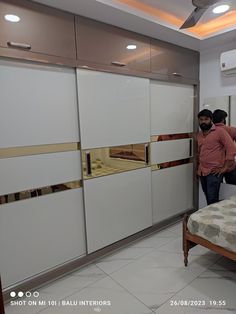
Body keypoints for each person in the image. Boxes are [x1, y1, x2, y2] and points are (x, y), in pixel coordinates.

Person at [197, 109, 236, 205]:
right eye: (201, 119)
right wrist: (197, 169)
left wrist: (225, 167)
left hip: (214, 171)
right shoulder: (199, 134)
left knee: (212, 199)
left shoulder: (220, 131)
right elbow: (199, 153)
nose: (203, 122)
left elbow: (231, 148)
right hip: (202, 171)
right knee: (207, 196)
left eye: (206, 119)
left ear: (211, 120)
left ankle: (214, 219)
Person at [213, 109, 236, 184]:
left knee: (217, 190)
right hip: (230, 164)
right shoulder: (232, 130)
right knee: (232, 188)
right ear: (223, 119)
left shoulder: (210, 131)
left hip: (215, 165)